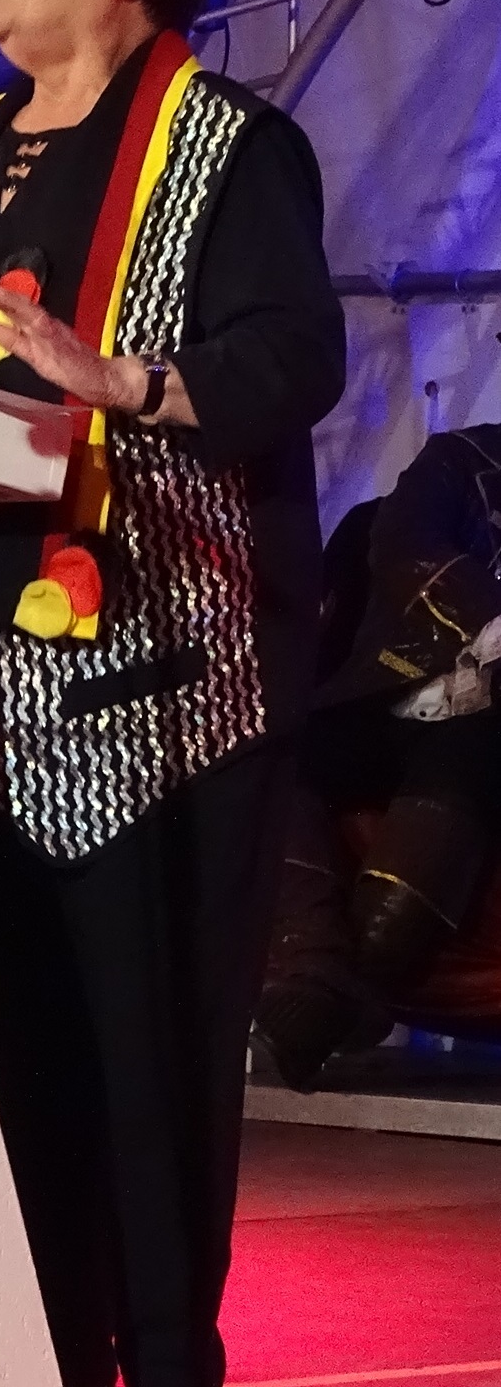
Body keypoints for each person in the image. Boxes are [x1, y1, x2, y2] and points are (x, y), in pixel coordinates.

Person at [0, 0, 346, 1387]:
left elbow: (293, 360)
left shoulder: (232, 150)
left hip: (164, 705)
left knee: (146, 1086)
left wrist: (124, 382)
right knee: (12, 1076)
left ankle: (162, 1359)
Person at [257, 421, 501, 1090]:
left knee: (467, 756)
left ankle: (335, 993)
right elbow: (404, 543)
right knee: (278, 753)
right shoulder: (464, 459)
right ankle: (311, 969)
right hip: (398, 689)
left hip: (483, 732)